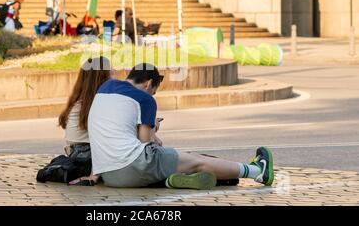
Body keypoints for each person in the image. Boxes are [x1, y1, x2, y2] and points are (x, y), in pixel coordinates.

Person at [88, 63, 274, 189]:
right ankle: (257, 171)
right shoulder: (145, 99)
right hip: (134, 167)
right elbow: (145, 142)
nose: (153, 95)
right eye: (154, 91)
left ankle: (171, 181)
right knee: (197, 160)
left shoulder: (106, 87)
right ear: (149, 84)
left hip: (110, 176)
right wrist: (154, 130)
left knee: (172, 161)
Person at [58, 56, 112, 186]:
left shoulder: (80, 102)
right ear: (102, 78)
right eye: (111, 73)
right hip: (87, 157)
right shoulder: (96, 103)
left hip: (75, 155)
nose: (113, 78)